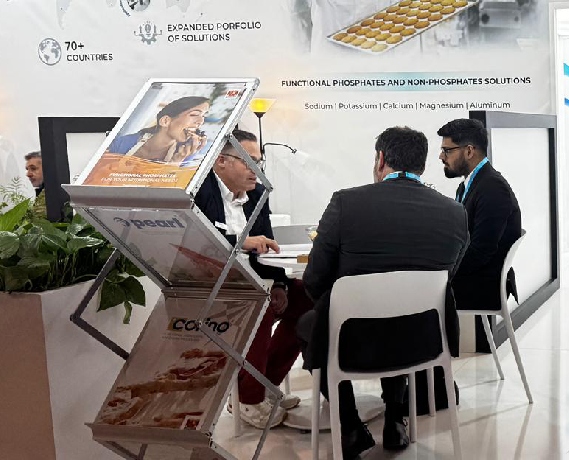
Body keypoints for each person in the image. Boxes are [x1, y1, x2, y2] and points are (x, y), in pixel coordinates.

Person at [296, 126, 469, 459]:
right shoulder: (454, 212)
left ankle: (349, 426)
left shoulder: (346, 203)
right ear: (422, 165)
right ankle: (394, 419)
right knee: (400, 319)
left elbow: (314, 279)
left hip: (353, 343)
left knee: (311, 324)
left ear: (380, 159)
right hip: (424, 341)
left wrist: (341, 303)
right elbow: (448, 277)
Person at [193, 129, 311, 429]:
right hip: (213, 287)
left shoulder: (257, 194)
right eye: (249, 161)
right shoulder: (199, 191)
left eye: (259, 162)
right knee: (258, 305)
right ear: (221, 161)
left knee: (308, 300)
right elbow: (193, 241)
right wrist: (240, 241)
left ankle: (264, 385)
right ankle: (249, 398)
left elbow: (267, 244)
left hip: (256, 281)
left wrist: (280, 285)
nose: (256, 170)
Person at [438, 119, 522, 313]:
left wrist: (441, 272)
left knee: (412, 293)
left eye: (447, 150)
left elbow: (481, 251)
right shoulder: (471, 185)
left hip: (482, 287)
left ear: (469, 151)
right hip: (474, 278)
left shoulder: (493, 188)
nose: (441, 156)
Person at [107, 96, 210, 165]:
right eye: (194, 114)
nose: (201, 121)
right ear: (165, 121)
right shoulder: (121, 143)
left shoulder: (186, 154)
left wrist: (176, 162)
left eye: (203, 116)